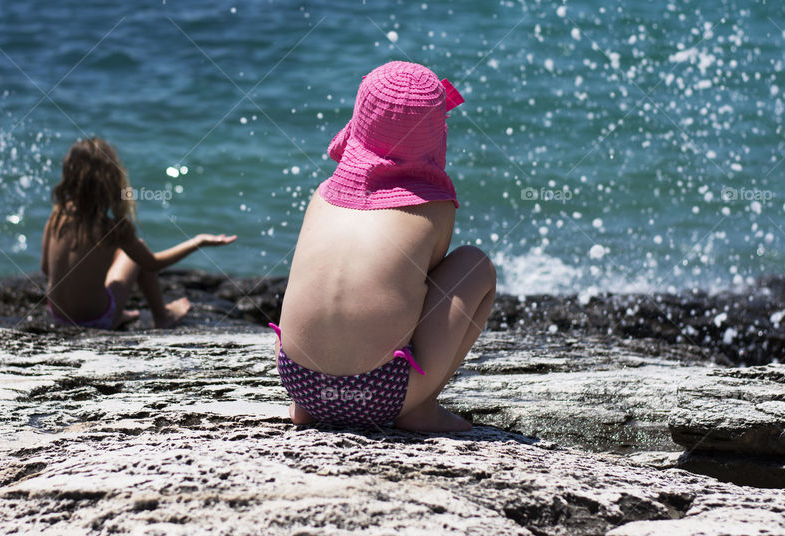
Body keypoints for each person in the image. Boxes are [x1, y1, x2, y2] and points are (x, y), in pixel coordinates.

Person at [271, 61, 496, 432]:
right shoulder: (434, 209)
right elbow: (424, 294)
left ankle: (305, 407)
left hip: (299, 379)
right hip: (379, 393)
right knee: (476, 264)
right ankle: (420, 407)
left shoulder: (322, 195)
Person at [41, 137, 236, 330]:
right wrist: (197, 242)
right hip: (96, 320)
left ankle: (119, 311)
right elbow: (152, 263)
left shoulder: (58, 216)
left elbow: (46, 269)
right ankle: (163, 315)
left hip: (58, 315)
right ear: (111, 180)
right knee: (133, 256)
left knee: (115, 254)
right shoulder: (112, 229)